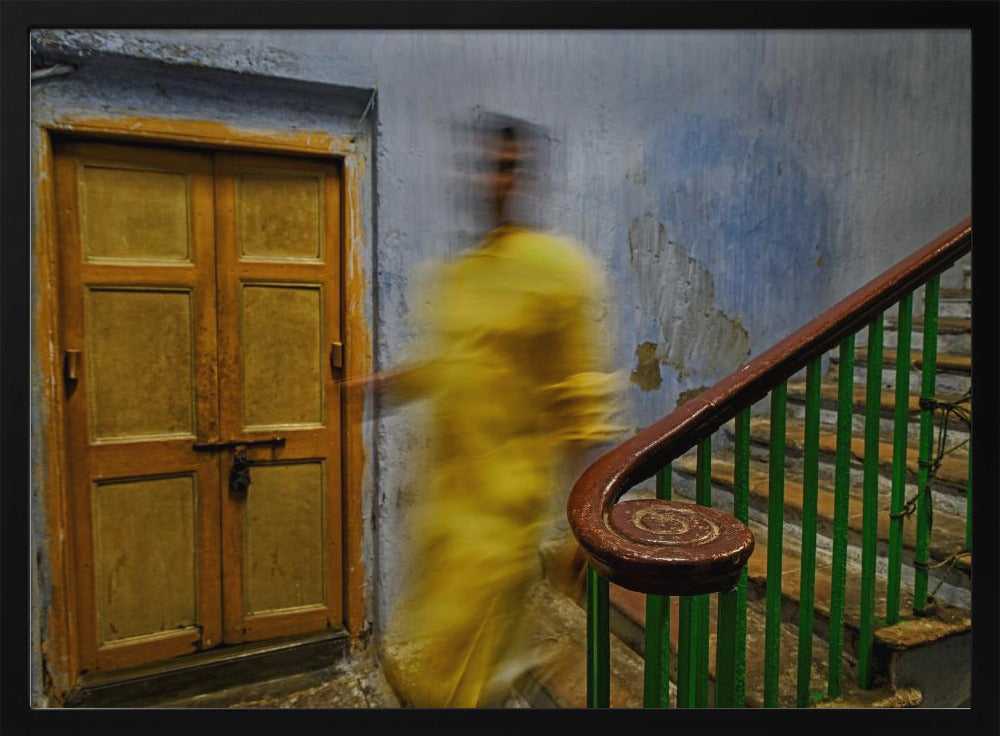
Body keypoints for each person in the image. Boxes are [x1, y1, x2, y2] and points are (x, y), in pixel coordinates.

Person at [361, 120, 623, 708]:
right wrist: (379, 385)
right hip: (445, 508)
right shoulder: (460, 276)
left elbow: (578, 402)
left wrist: (586, 519)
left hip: (503, 516)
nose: (489, 177)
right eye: (481, 164)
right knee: (447, 661)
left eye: (504, 165)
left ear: (523, 175)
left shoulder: (558, 271)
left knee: (461, 677)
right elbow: (449, 365)